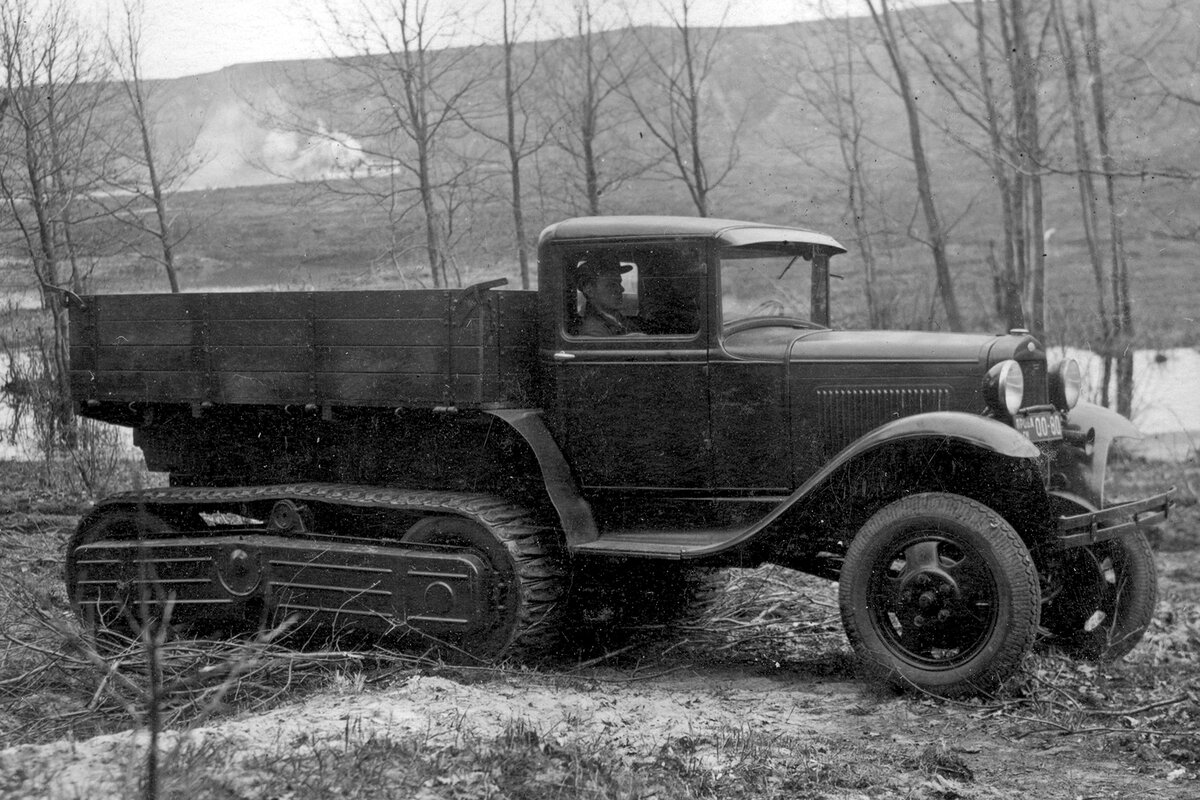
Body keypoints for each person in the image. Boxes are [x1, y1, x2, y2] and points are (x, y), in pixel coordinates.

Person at [575, 253, 640, 336]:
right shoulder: (593, 332)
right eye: (611, 285)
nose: (621, 289)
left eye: (619, 283)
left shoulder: (616, 317)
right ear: (589, 290)